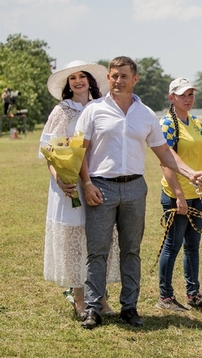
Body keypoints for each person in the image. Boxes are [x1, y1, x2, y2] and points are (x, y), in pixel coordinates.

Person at [77, 56, 202, 330]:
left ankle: (129, 307)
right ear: (108, 78)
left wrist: (189, 172)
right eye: (113, 75)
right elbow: (80, 152)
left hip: (135, 187)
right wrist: (87, 184)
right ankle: (92, 308)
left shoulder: (145, 114)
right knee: (97, 251)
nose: (117, 80)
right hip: (101, 187)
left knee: (131, 251)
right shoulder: (93, 110)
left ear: (135, 79)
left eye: (124, 76)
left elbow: (164, 152)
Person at [39, 60, 119, 319]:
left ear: (90, 80)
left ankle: (101, 296)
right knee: (74, 241)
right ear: (67, 84)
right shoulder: (62, 111)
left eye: (81, 76)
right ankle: (79, 297)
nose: (77, 81)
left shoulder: (102, 107)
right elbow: (50, 151)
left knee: (99, 238)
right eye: (72, 78)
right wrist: (61, 179)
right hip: (70, 186)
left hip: (100, 182)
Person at [156, 78, 202, 312]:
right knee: (172, 245)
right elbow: (165, 163)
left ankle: (193, 294)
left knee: (192, 247)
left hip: (198, 195)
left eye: (191, 94)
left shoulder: (195, 122)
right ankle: (165, 297)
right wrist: (179, 196)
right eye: (183, 95)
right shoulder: (167, 124)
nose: (188, 99)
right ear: (172, 98)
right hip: (178, 196)